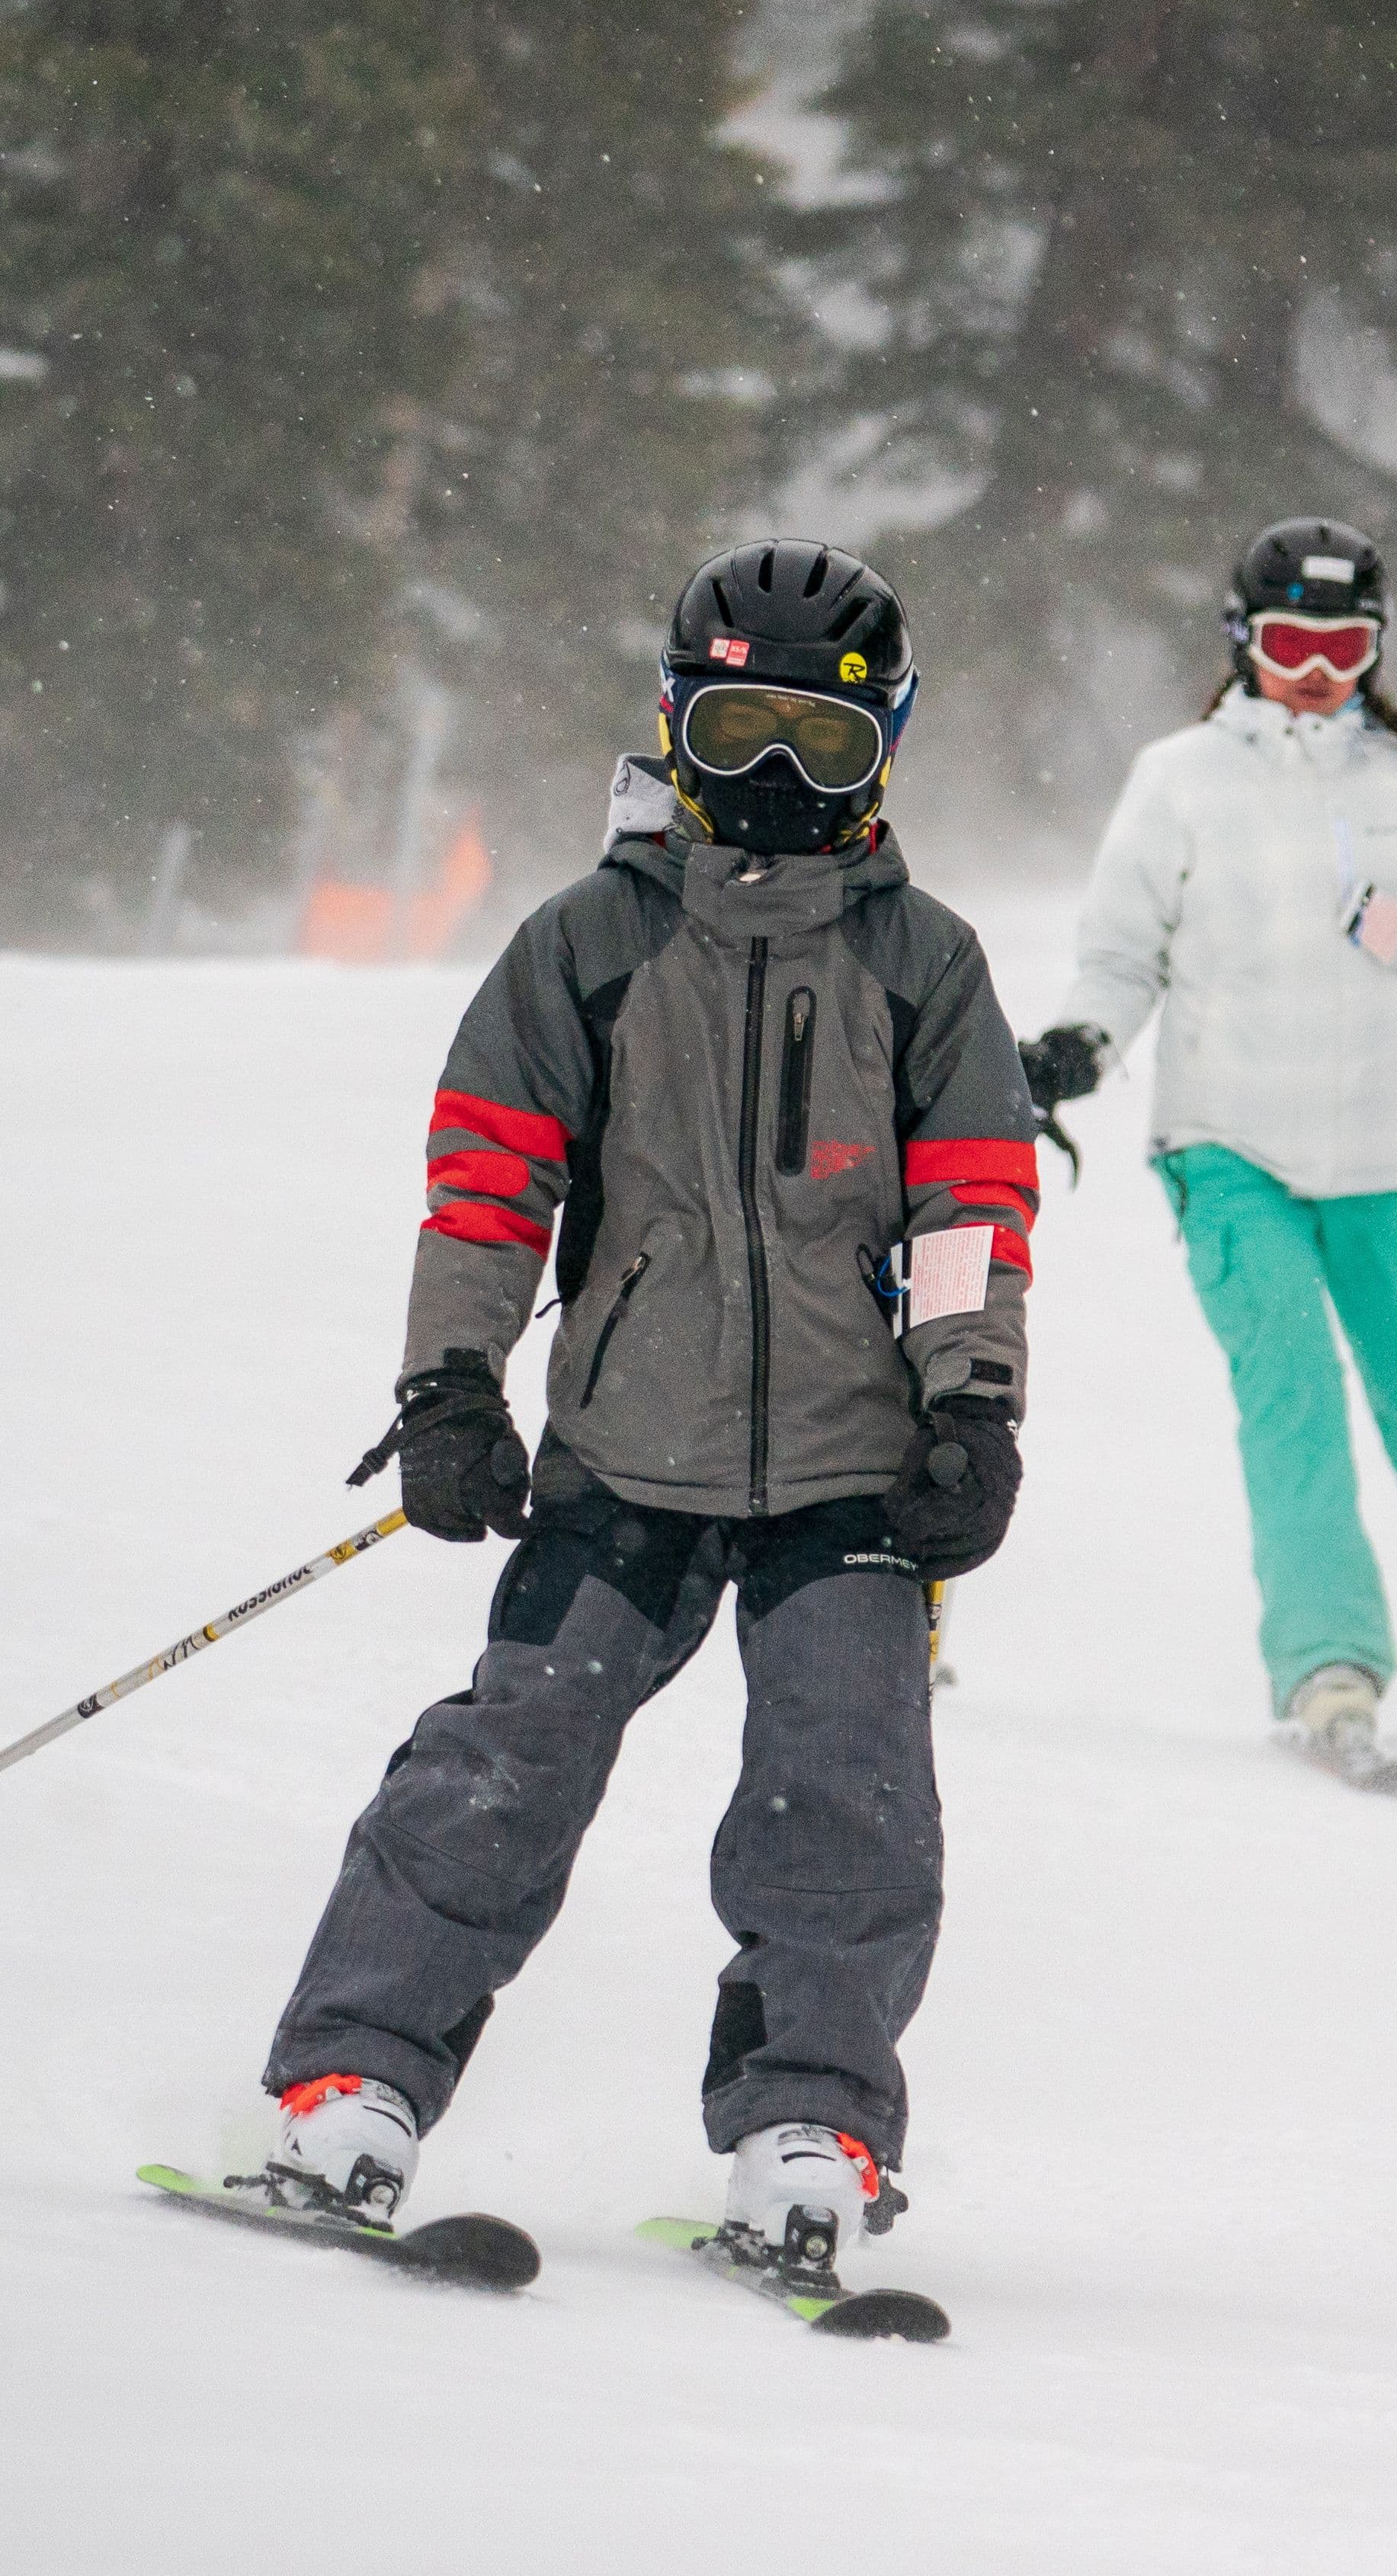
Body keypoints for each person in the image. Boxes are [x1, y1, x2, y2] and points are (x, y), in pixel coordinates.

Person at [252, 539, 1037, 2281]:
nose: (771, 782)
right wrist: (452, 1382)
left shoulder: (926, 964)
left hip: (850, 1476)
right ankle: (350, 2083)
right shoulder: (588, 944)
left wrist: (971, 1409)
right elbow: (484, 1186)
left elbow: (973, 1210)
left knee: (846, 1793)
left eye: (821, 748)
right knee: (503, 1766)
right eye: (738, 730)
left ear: (883, 751)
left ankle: (805, 2120)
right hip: (625, 1462)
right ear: (675, 729)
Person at [1018, 517, 1397, 1788]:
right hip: (1228, 1150)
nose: (1312, 670)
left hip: (1386, 1161)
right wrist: (1077, 1044)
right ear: (1242, 641)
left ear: (1372, 651)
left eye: (1340, 646)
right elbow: (1121, 953)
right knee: (1294, 1413)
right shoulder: (1177, 781)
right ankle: (1328, 1669)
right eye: (1288, 640)